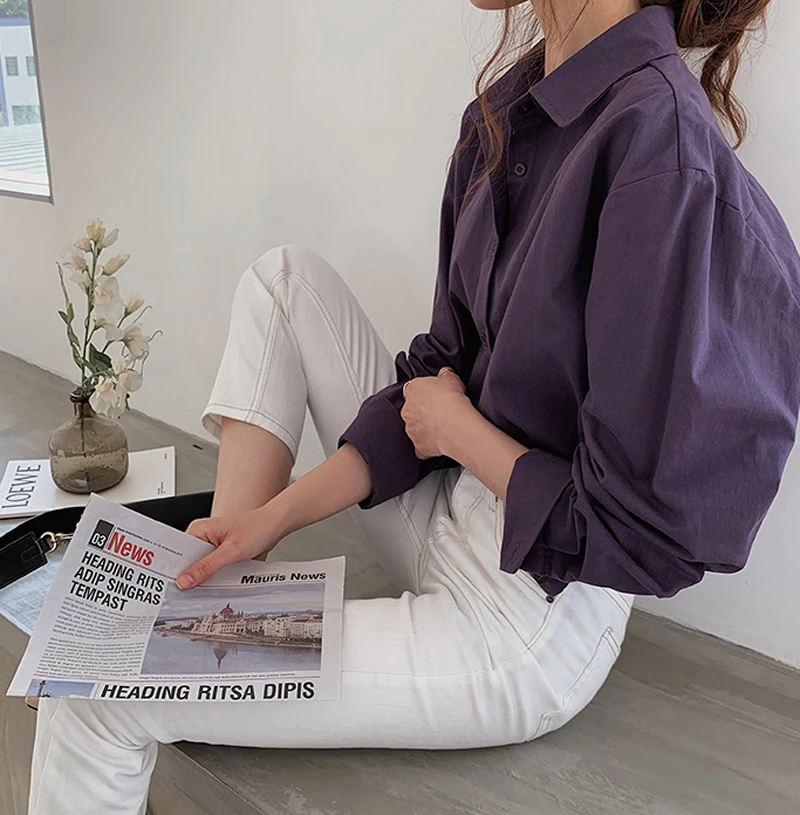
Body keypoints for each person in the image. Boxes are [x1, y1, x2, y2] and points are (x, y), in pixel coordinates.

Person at [27, 1, 800, 813]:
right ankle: (221, 588)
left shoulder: (661, 155)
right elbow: (433, 377)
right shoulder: (509, 113)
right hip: (444, 514)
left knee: (94, 680)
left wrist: (460, 432)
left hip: (527, 614)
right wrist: (270, 518)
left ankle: (197, 665)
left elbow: (641, 534)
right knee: (285, 280)